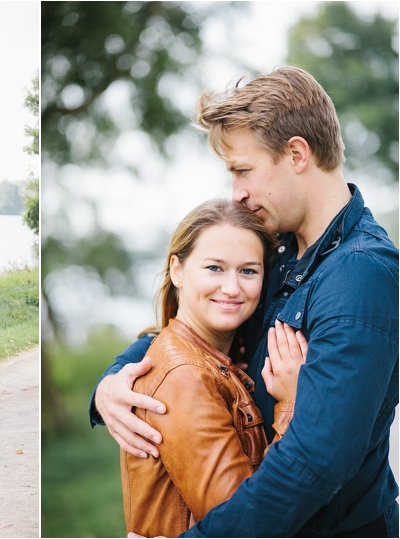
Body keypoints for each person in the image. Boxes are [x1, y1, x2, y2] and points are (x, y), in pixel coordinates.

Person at [91, 66, 399, 537]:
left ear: (297, 153)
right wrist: (113, 381)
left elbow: (313, 464)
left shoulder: (360, 274)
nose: (238, 193)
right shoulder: (278, 249)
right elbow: (202, 327)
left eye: (242, 170)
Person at [120, 198, 306, 538]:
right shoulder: (185, 375)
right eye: (214, 268)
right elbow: (248, 525)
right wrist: (292, 403)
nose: (232, 288)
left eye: (248, 270)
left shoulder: (216, 359)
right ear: (177, 269)